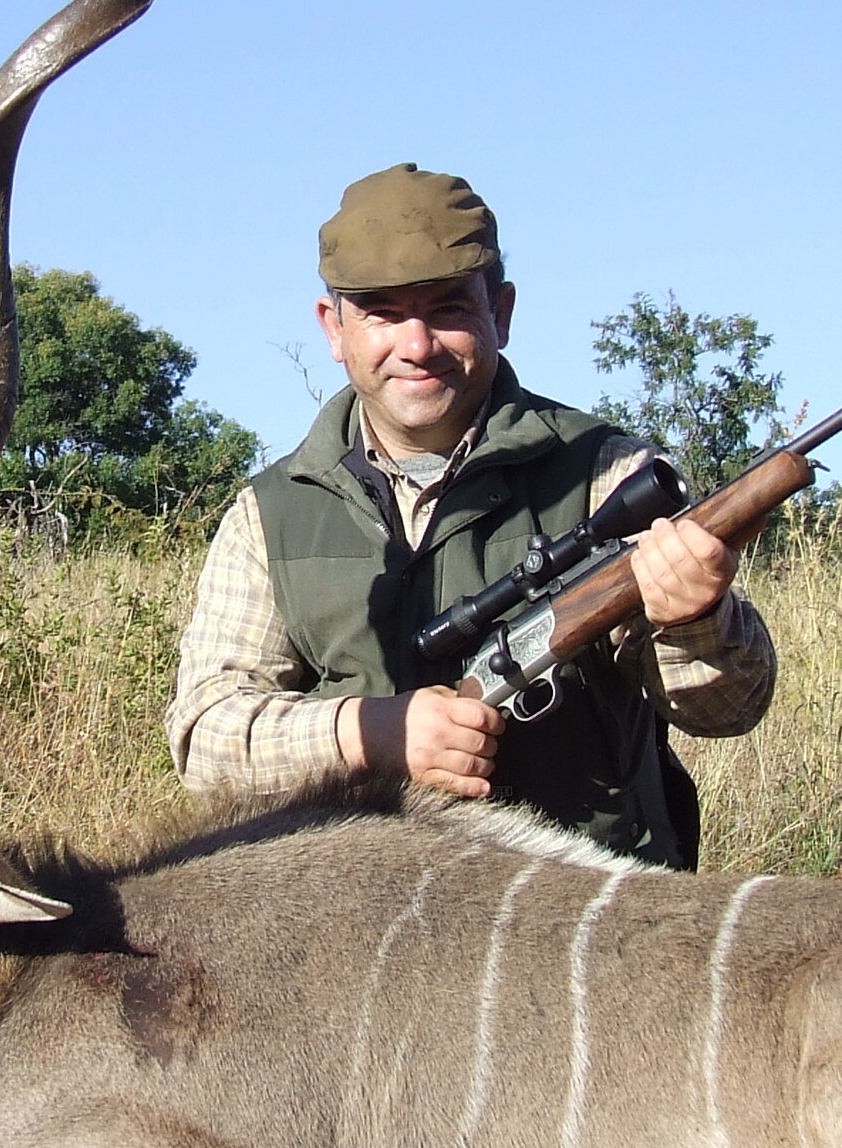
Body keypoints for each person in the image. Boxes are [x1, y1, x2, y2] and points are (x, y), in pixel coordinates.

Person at [168, 165, 776, 867]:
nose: (417, 344)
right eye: (383, 313)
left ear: (503, 313)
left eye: (449, 308)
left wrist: (695, 621)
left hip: (585, 919)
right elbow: (205, 739)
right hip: (351, 926)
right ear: (332, 328)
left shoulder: (611, 474)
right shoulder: (269, 513)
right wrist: (373, 734)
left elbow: (726, 711)